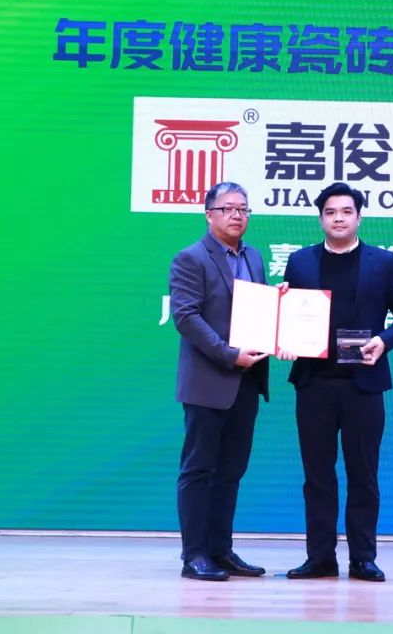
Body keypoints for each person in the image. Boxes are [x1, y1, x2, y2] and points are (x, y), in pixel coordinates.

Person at [279, 182, 393, 582]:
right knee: (317, 476)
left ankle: (363, 558)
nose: (338, 218)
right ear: (320, 218)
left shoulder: (384, 261)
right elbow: (289, 315)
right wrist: (280, 320)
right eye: (330, 212)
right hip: (314, 385)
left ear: (359, 216)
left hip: (364, 385)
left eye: (346, 211)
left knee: (363, 475)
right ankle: (320, 558)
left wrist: (384, 341)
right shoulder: (300, 262)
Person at [169, 181, 271, 582]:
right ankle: (194, 555)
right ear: (209, 214)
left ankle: (220, 550)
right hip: (208, 382)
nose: (236, 215)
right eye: (227, 208)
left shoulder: (254, 257)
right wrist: (229, 354)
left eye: (243, 209)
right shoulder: (191, 258)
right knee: (199, 470)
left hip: (247, 381)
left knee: (231, 471)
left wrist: (278, 308)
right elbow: (186, 317)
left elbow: (258, 312)